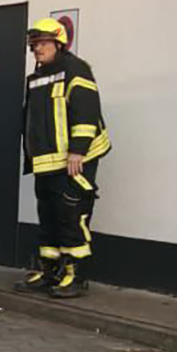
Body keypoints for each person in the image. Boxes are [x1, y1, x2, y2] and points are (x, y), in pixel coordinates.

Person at [22, 17, 110, 298]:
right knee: (48, 217)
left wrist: (78, 150)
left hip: (74, 161)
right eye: (34, 44)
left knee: (71, 217)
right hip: (47, 162)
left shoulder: (76, 70)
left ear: (59, 43)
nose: (37, 49)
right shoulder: (37, 77)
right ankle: (50, 270)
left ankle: (76, 275)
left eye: (43, 43)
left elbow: (86, 112)